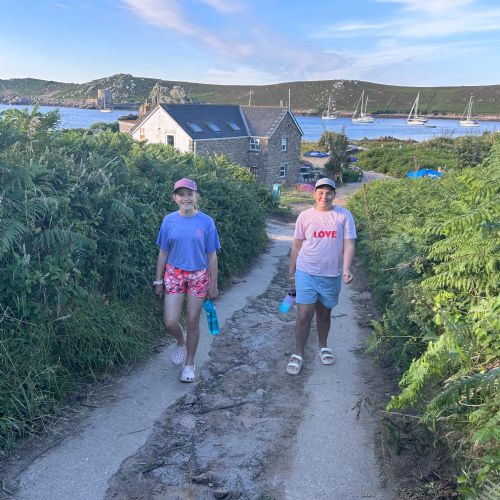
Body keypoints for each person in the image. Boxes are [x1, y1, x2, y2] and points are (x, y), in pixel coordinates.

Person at [286, 177, 356, 375]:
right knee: (303, 315)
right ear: (314, 194)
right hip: (306, 272)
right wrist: (291, 272)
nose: (324, 197)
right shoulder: (305, 216)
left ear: (334, 195)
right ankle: (298, 354)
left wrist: (346, 269)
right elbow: (297, 245)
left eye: (329, 193)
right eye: (321, 193)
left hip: (331, 274)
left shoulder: (344, 216)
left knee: (325, 314)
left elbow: (349, 244)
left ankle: (323, 346)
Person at [154, 178, 221, 382]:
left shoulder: (206, 222)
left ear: (196, 196)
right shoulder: (169, 221)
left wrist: (213, 284)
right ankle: (181, 341)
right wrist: (158, 280)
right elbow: (163, 252)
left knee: (192, 320)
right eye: (181, 194)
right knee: (170, 322)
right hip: (174, 274)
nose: (186, 198)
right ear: (175, 198)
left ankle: (189, 364)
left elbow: (212, 256)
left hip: (199, 275)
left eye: (189, 194)